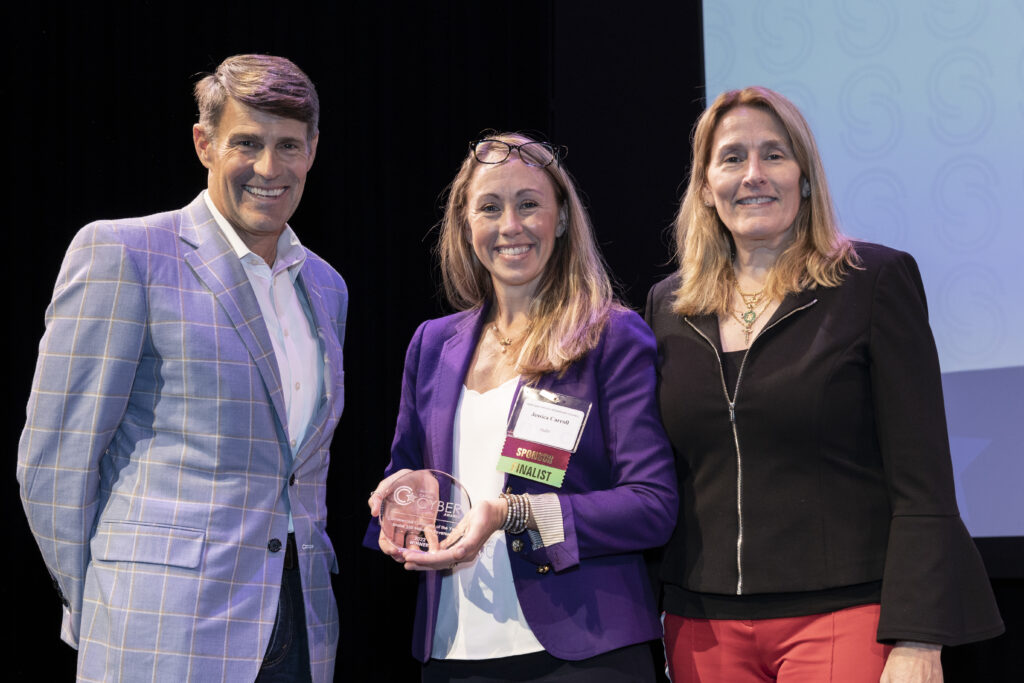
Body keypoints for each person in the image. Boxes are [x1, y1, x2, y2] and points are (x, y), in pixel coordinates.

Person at [645, 86, 1004, 682]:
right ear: (706, 187)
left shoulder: (873, 282)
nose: (753, 175)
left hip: (845, 616)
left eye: (775, 155)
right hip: (701, 626)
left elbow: (925, 482)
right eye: (732, 158)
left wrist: (919, 637)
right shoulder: (667, 307)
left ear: (805, 178)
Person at [17, 54, 346, 683]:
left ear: (313, 151)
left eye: (289, 146)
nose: (269, 169)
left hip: (301, 627)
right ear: (205, 143)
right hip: (160, 629)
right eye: (246, 143)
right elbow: (54, 461)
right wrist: (113, 600)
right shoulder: (126, 252)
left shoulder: (327, 287)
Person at [366, 133, 677, 681]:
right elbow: (411, 475)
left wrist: (514, 515)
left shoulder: (611, 336)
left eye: (529, 203)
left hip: (585, 648)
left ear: (560, 220)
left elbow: (652, 506)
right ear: (466, 225)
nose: (510, 225)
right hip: (453, 648)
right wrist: (399, 512)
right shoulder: (432, 344)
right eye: (490, 207)